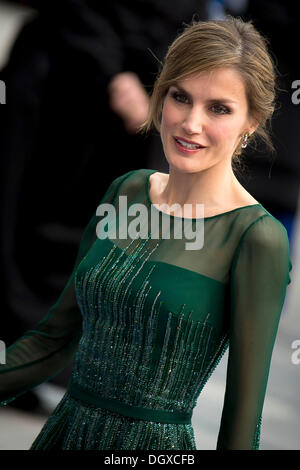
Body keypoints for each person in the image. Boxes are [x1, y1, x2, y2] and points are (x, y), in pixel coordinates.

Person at [0, 16, 293, 450]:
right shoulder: (128, 190)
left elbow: (241, 418)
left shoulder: (256, 237)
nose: (191, 123)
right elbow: (50, 341)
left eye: (219, 108)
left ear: (250, 122)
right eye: (181, 97)